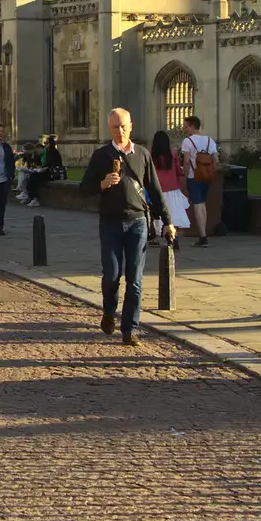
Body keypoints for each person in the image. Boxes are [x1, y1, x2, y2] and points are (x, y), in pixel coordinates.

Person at [80, 108, 175, 346]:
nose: (120, 131)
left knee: (135, 279)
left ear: (130, 126)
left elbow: (155, 189)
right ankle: (109, 311)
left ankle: (130, 329)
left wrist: (168, 221)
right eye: (114, 127)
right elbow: (84, 188)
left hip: (137, 222)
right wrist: (102, 183)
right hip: (110, 223)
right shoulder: (101, 156)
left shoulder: (142, 154)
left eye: (123, 126)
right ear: (109, 129)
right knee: (111, 275)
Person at [179, 116, 219, 246]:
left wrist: (184, 174)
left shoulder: (188, 141)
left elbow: (186, 162)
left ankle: (203, 236)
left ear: (191, 126)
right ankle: (203, 233)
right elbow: (216, 160)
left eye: (186, 126)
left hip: (194, 176)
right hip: (207, 177)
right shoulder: (210, 141)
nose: (184, 129)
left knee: (197, 205)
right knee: (203, 204)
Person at [150, 130, 190, 250]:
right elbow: (178, 169)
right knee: (173, 213)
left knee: (158, 214)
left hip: (158, 188)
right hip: (172, 187)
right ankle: (174, 237)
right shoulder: (172, 153)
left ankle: (158, 236)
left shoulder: (152, 155)